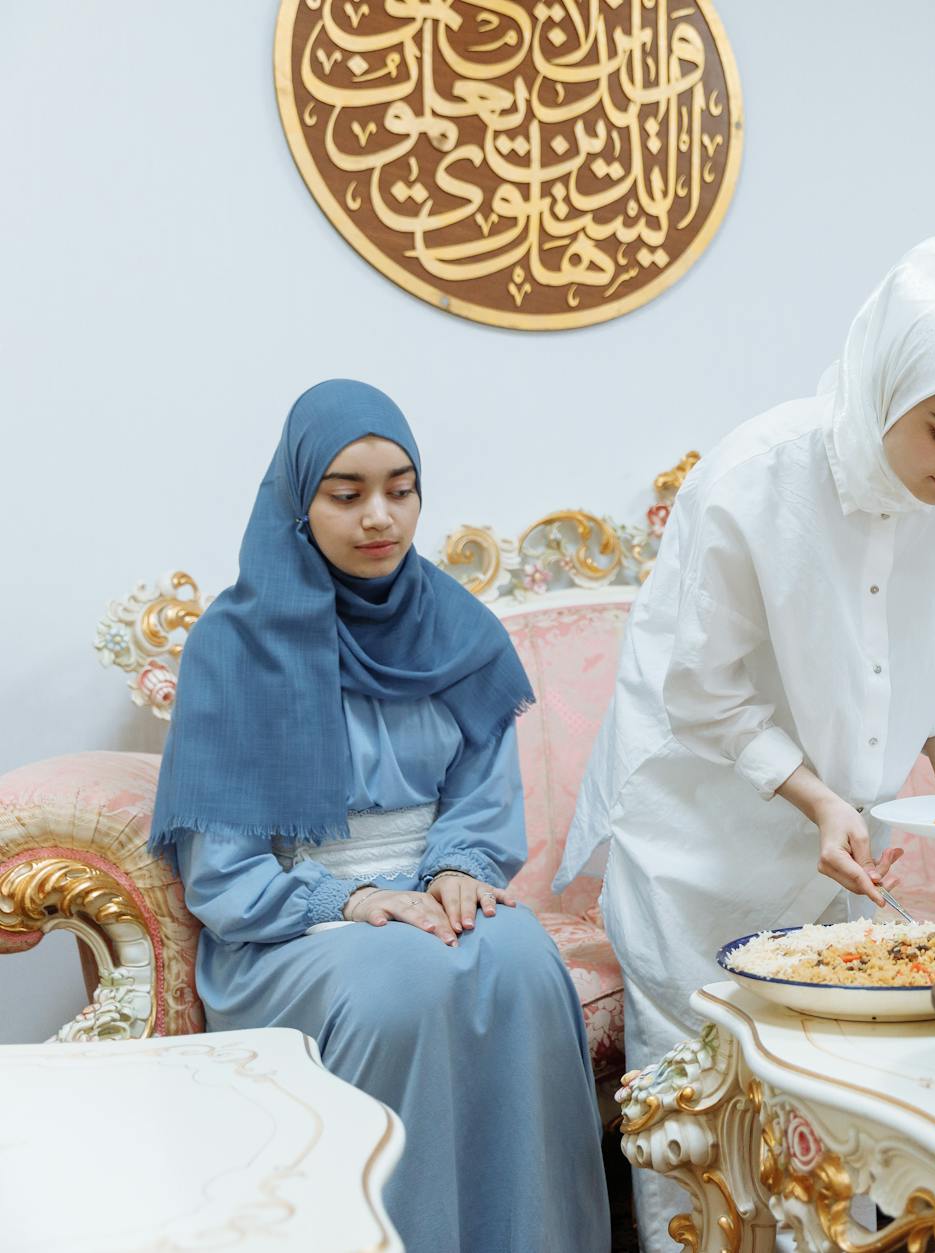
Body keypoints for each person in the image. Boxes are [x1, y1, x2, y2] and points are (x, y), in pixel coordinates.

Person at [557, 237, 935, 1244]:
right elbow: (703, 692)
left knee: (832, 1108)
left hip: (835, 853)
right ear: (881, 388)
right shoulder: (758, 475)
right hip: (699, 831)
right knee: (699, 1117)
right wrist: (820, 796)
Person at [151, 380, 609, 1253]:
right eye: (346, 492)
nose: (380, 518)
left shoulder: (455, 626)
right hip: (289, 926)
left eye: (400, 489)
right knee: (400, 980)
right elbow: (224, 870)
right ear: (298, 499)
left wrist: (452, 871)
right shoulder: (235, 645)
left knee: (520, 957)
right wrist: (351, 902)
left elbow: (481, 796)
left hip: (431, 890)